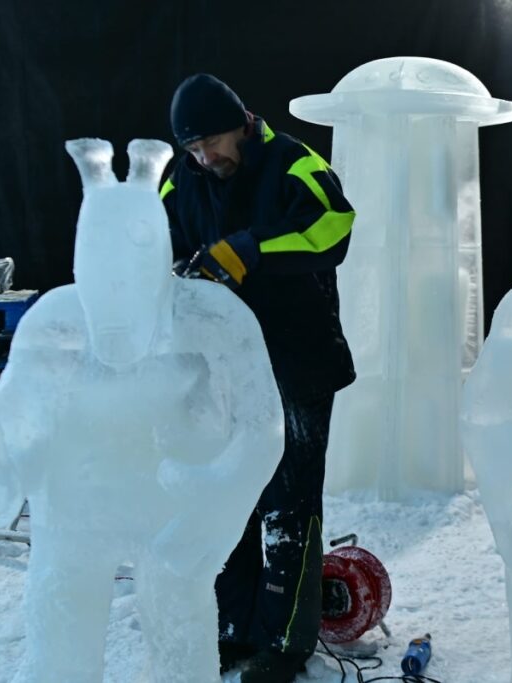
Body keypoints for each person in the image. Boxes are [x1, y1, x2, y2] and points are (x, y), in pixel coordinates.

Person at [160, 73, 356, 683]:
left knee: (289, 502)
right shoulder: (177, 178)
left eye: (213, 142)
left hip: (295, 363)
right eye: (192, 148)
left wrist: (249, 249)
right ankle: (232, 628)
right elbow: (158, 245)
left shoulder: (296, 165)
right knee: (227, 497)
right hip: (219, 369)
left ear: (242, 121)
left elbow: (335, 230)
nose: (204, 157)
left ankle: (284, 640)